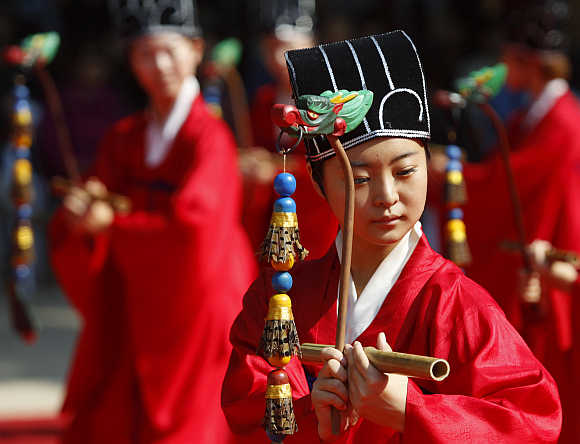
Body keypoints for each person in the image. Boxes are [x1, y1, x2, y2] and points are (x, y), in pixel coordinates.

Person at [221, 31, 561, 443]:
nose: (386, 197)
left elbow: (531, 421)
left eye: (405, 172)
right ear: (318, 183)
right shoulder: (278, 306)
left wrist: (410, 410)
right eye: (360, 178)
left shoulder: (457, 305)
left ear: (428, 167)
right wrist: (311, 415)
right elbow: (249, 405)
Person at [49, 1, 256, 442]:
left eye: (170, 50)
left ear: (196, 50)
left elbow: (195, 228)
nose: (159, 64)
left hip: (201, 299)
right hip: (141, 293)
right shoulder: (125, 137)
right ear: (131, 61)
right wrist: (80, 213)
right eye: (145, 53)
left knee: (195, 420)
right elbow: (99, 192)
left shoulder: (210, 137)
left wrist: (112, 226)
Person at [442, 1, 580, 441]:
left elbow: (510, 185)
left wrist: (454, 172)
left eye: (508, 56)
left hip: (556, 262)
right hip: (536, 258)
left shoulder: (563, 122)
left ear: (527, 61)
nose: (501, 64)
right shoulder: (530, 114)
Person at [239, 0, 338, 261]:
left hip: (319, 220)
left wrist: (276, 169)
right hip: (272, 223)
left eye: (286, 47)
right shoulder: (264, 100)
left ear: (311, 44)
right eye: (270, 47)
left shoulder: (330, 101)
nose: (276, 58)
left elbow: (338, 166)